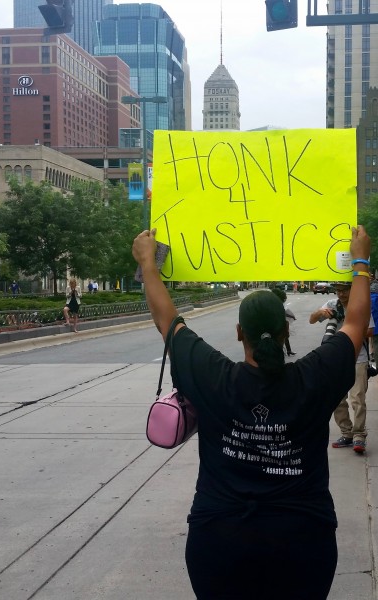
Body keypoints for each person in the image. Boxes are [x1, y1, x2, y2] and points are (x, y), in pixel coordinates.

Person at [132, 226, 371, 600]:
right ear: (284, 330)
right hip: (304, 542)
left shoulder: (213, 376)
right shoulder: (315, 378)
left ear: (240, 331)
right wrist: (360, 262)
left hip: (219, 542)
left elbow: (169, 322)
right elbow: (355, 322)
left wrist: (149, 265)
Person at [309, 279, 374, 453]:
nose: (341, 294)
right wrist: (320, 312)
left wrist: (350, 326)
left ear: (352, 290)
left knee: (357, 398)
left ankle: (359, 436)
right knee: (337, 399)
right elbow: (312, 320)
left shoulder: (361, 306)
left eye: (344, 290)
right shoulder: (332, 304)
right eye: (338, 290)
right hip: (335, 359)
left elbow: (370, 331)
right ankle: (347, 433)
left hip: (358, 356)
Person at [270, 287, 296, 356]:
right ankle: (281, 351)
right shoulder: (276, 302)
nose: (284, 300)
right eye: (284, 299)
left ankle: (288, 350)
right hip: (277, 322)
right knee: (281, 336)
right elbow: (282, 312)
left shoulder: (277, 301)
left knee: (285, 336)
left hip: (279, 321)